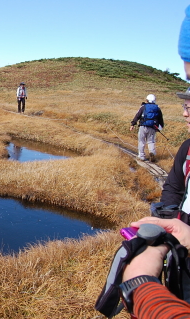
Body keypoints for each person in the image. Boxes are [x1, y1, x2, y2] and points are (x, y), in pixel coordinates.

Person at [118, 6, 190, 318]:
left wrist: (142, 285)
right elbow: (173, 191)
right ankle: (146, 155)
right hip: (179, 263)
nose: (186, 109)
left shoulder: (143, 107)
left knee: (142, 142)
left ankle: (142, 157)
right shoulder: (186, 148)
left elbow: (138, 116)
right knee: (150, 141)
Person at [130, 94, 164, 162]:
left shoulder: (143, 107)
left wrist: (132, 124)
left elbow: (137, 115)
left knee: (141, 141)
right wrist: (160, 127)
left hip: (143, 126)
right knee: (151, 141)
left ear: (147, 100)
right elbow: (160, 119)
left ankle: (141, 156)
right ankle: (152, 152)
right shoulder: (157, 108)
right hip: (152, 127)